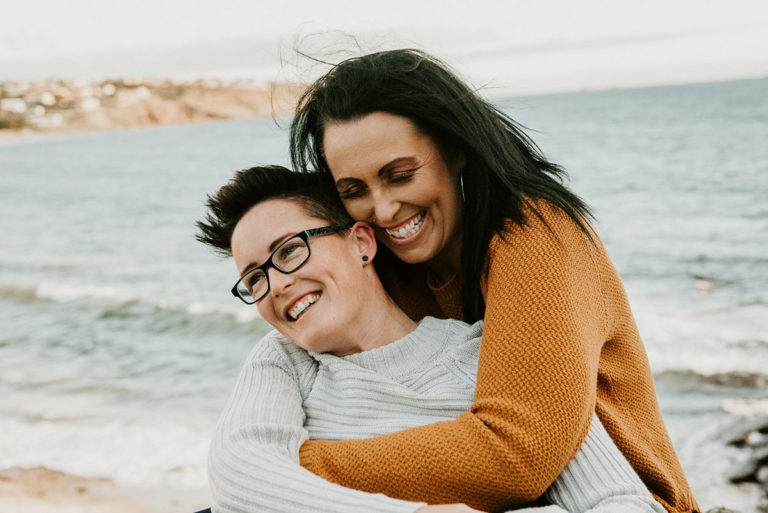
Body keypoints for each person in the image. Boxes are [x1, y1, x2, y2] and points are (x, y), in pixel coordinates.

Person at [289, 49, 699, 513]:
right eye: (354, 191)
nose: (383, 210)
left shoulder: (537, 234)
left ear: (456, 148)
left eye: (401, 175)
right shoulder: (377, 270)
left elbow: (517, 456)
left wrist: (287, 468)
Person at [196, 165, 667, 513]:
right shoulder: (284, 361)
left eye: (290, 251)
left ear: (362, 242)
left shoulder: (489, 358)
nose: (275, 284)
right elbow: (239, 479)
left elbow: (621, 503)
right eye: (254, 279)